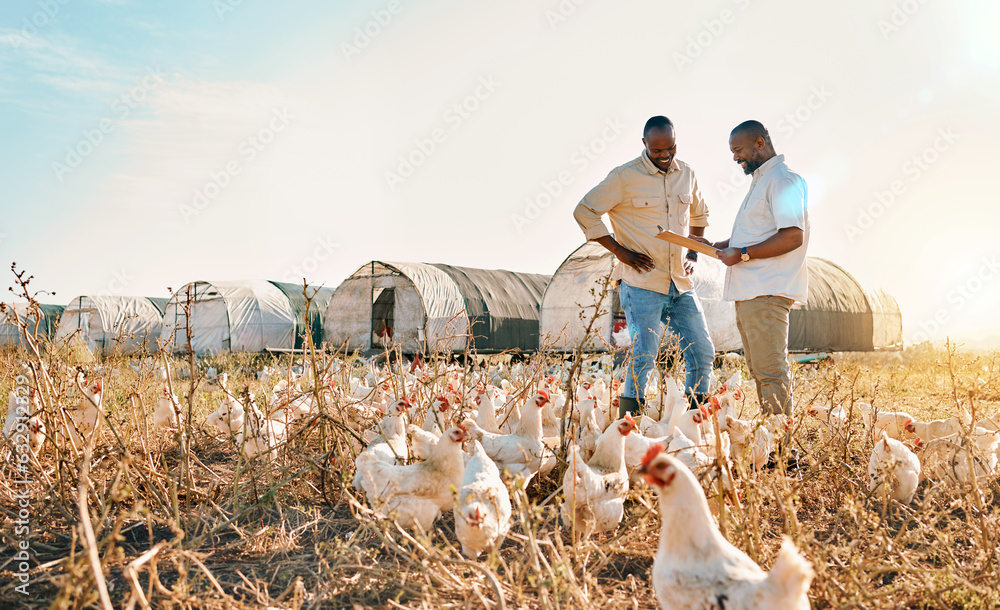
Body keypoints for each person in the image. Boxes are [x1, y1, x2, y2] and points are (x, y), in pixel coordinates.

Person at [573, 116, 716, 417]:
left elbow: (700, 216)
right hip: (641, 285)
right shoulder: (624, 177)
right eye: (657, 151)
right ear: (644, 145)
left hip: (680, 284)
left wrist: (693, 253)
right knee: (644, 356)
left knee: (703, 352)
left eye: (671, 149)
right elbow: (584, 211)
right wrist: (620, 251)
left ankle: (693, 422)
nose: (665, 156)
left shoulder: (687, 173)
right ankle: (632, 425)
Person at [700, 120, 809, 417]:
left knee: (771, 372)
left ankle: (784, 456)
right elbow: (753, 235)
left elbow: (792, 236)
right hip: (751, 293)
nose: (735, 157)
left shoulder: (782, 181)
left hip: (767, 290)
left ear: (760, 143)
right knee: (760, 371)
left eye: (738, 150)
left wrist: (744, 254)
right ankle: (771, 444)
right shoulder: (762, 181)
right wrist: (717, 245)